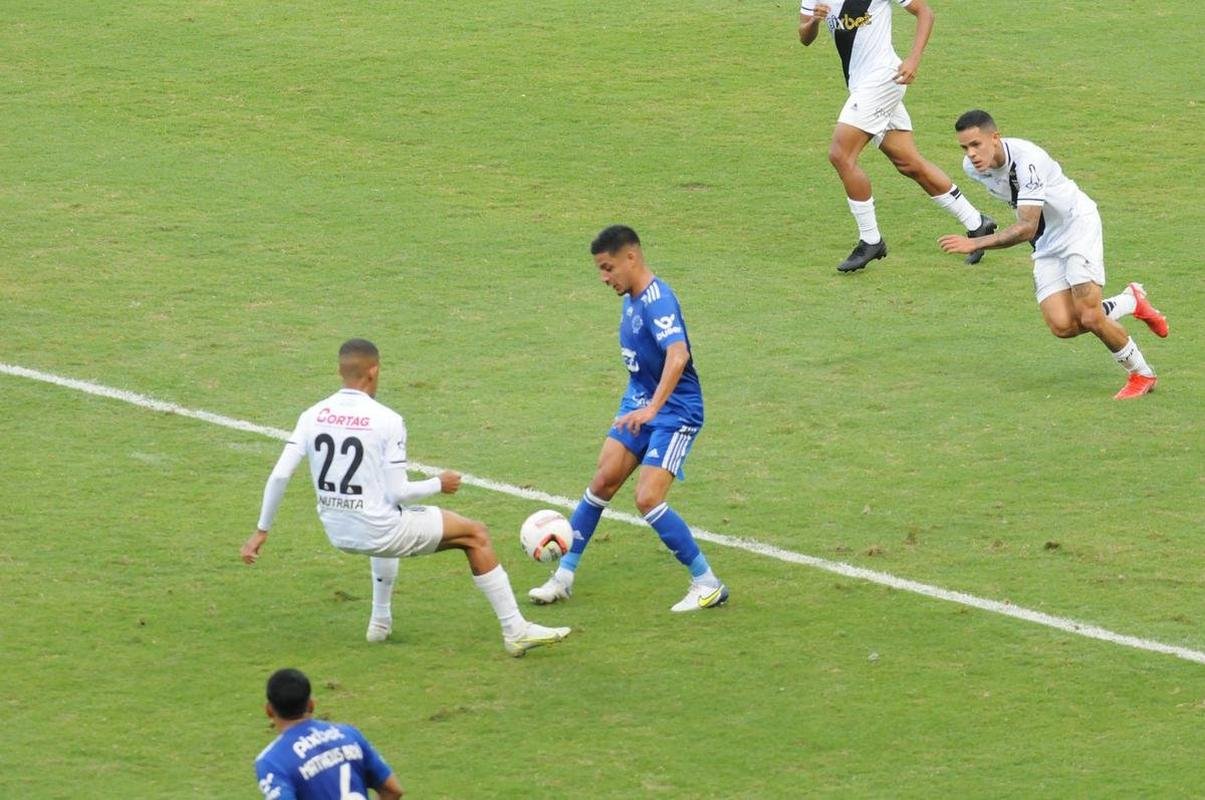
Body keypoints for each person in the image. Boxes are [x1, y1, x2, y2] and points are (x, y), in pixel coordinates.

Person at [240, 339, 571, 656]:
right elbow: (399, 491)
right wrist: (438, 484)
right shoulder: (387, 420)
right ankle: (516, 630)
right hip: (381, 530)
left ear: (341, 371)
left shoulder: (312, 415)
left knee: (384, 511)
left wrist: (261, 531)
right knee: (475, 534)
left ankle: (379, 623)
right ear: (374, 371)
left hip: (338, 531)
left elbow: (280, 475)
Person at [529, 225, 728, 613]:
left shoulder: (658, 301)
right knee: (602, 481)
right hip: (638, 401)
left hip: (675, 411)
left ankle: (708, 584)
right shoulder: (631, 298)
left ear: (631, 258)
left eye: (608, 268)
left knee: (647, 498)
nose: (604, 278)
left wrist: (653, 409)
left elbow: (678, 355)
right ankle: (563, 577)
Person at [938, 110, 1169, 399]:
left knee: (1090, 317)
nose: (971, 154)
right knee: (1062, 325)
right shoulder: (974, 169)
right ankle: (1130, 300)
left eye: (976, 144)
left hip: (1076, 228)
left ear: (995, 137)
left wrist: (976, 243)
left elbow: (1025, 226)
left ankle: (1142, 374)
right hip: (1046, 240)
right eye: (965, 147)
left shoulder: (1028, 161)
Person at [798, 0, 996, 273]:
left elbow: (925, 12)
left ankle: (871, 239)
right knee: (908, 163)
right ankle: (977, 223)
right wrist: (814, 22)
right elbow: (804, 36)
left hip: (883, 80)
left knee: (840, 155)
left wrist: (913, 59)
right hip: (861, 85)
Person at [254, 668, 404, 800]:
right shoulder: (349, 734)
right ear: (311, 704)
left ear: (269, 710)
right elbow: (392, 790)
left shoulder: (272, 760)